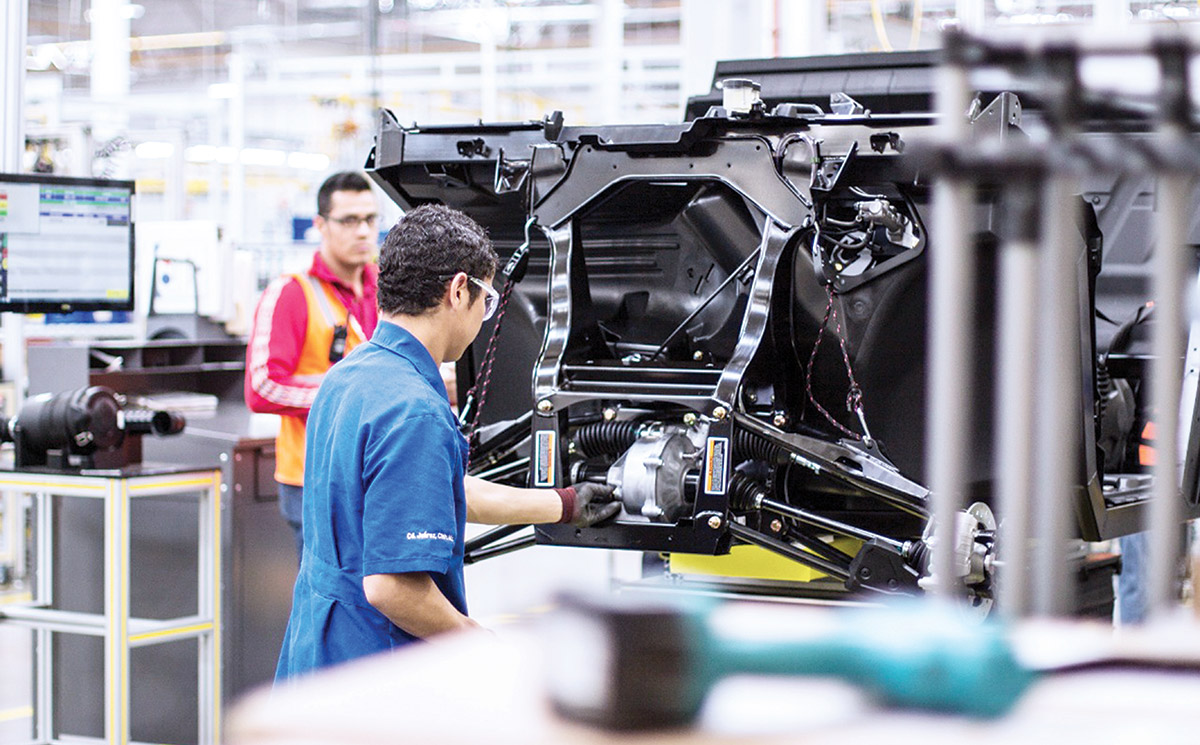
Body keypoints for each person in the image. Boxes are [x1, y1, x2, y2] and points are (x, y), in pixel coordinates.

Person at [275, 204, 619, 680]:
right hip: (379, 667)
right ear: (459, 290)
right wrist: (485, 646)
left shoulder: (349, 377)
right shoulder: (413, 410)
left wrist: (563, 504)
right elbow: (392, 588)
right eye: (487, 302)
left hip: (319, 652)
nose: (484, 316)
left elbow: (435, 491)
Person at [245, 171, 381, 560]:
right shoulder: (291, 293)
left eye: (370, 220)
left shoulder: (386, 292)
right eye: (349, 220)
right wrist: (352, 393)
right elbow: (262, 387)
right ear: (320, 225)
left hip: (375, 475)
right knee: (330, 607)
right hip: (315, 480)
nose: (362, 232)